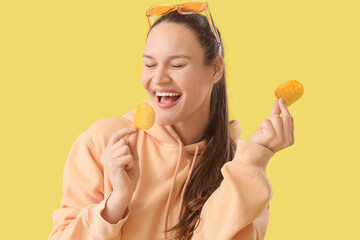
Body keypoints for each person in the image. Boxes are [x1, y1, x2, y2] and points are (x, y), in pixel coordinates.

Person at [48, 2, 294, 240]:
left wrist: (252, 162)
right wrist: (114, 205)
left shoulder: (241, 170)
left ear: (215, 70)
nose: (158, 79)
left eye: (177, 64)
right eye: (149, 64)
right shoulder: (104, 144)